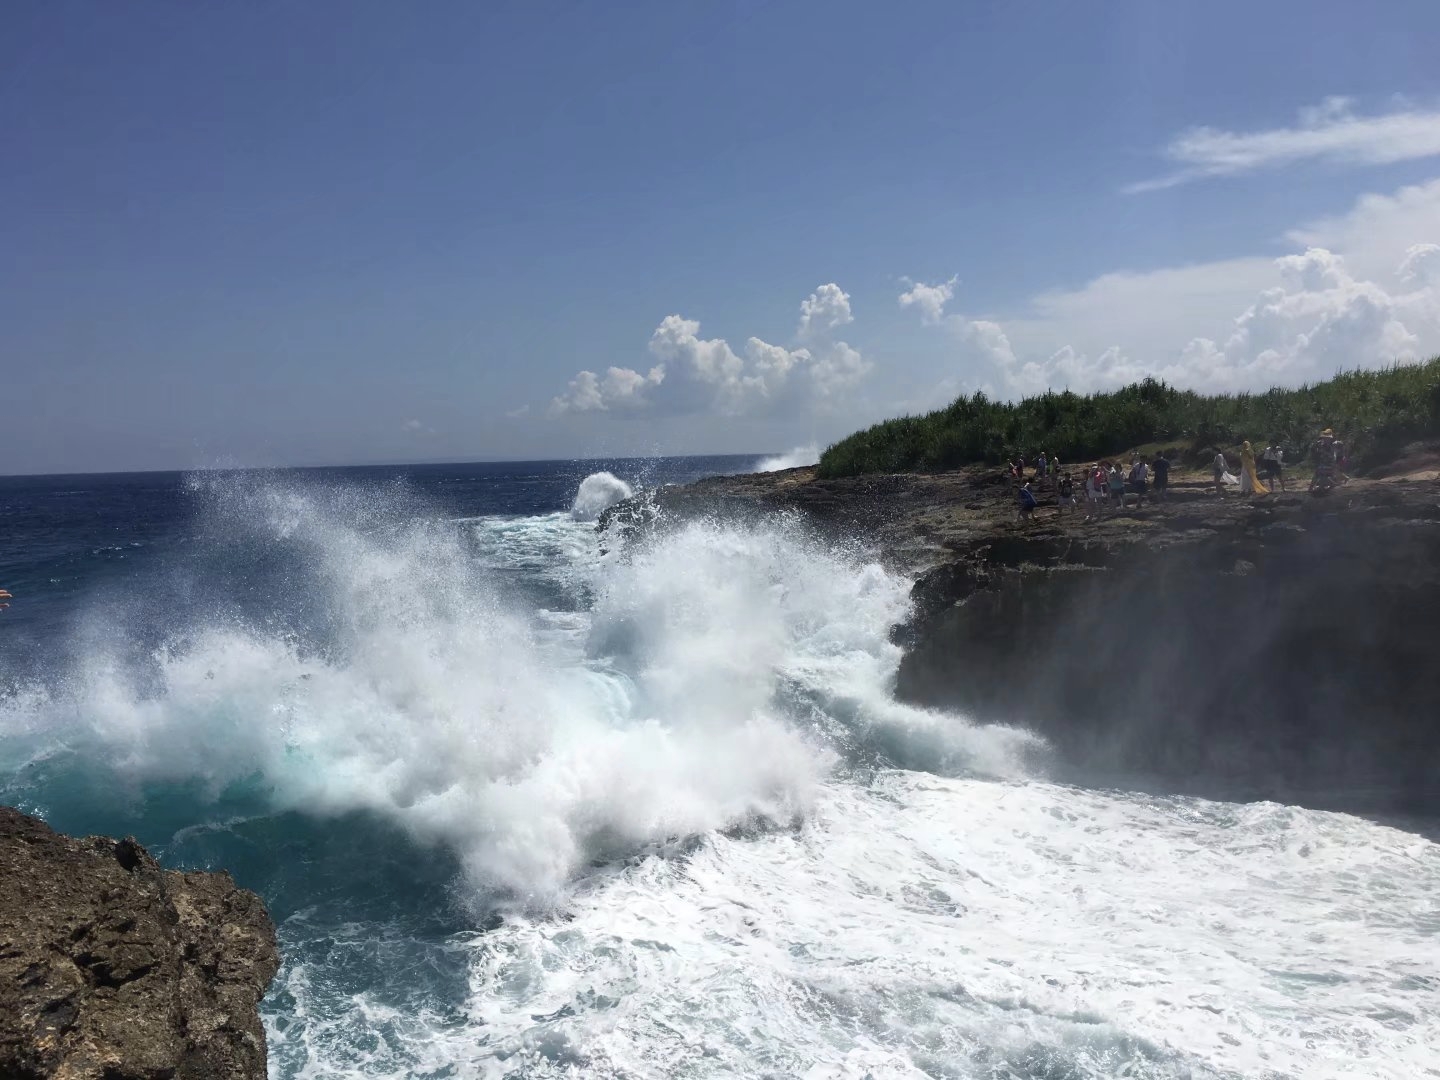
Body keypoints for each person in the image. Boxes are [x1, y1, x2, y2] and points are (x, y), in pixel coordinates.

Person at [1310, 428, 1339, 493]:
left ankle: (1325, 486)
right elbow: (1315, 451)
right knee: (1317, 474)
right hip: (1323, 463)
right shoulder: (1322, 444)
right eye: (1324, 437)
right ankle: (1315, 488)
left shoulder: (1332, 445)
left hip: (1329, 464)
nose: (1325, 439)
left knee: (1321, 474)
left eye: (1326, 438)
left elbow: (1332, 456)